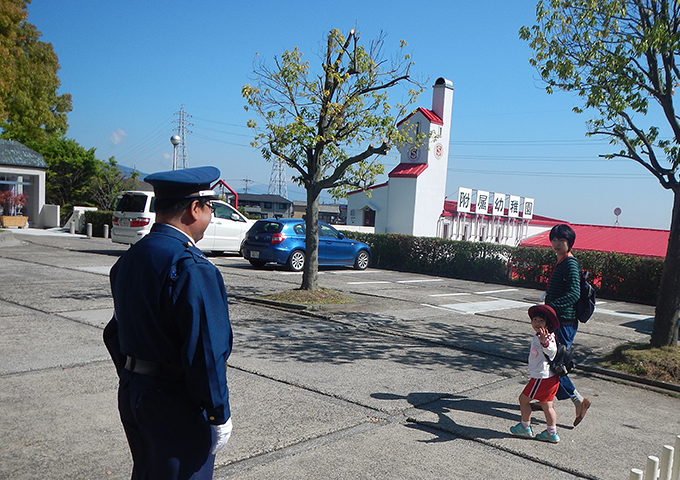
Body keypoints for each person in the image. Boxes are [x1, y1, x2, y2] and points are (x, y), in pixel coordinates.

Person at [104, 166, 233, 480]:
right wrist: (218, 413)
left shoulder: (131, 258)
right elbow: (205, 349)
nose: (211, 216)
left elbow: (114, 332)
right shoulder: (191, 267)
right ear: (193, 209)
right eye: (210, 207)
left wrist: (135, 373)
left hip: (135, 392)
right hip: (176, 402)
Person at [545, 223, 591, 427]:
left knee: (556, 363)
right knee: (551, 361)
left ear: (569, 242)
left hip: (563, 321)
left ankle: (578, 400)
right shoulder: (562, 262)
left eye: (561, 240)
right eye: (554, 239)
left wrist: (551, 306)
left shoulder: (570, 264)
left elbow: (574, 293)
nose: (556, 243)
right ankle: (547, 399)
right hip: (558, 319)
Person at [510, 304, 561, 443]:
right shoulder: (540, 335)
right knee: (547, 405)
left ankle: (525, 427)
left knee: (523, 400)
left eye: (541, 321)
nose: (537, 323)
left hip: (541, 378)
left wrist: (544, 343)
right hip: (549, 377)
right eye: (535, 320)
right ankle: (551, 432)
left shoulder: (547, 337)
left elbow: (552, 351)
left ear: (547, 323)